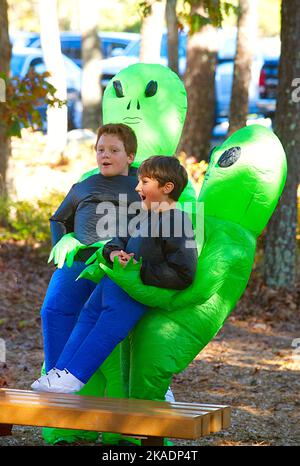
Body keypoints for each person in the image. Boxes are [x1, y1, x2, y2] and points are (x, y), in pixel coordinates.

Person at [32, 156, 198, 393]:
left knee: (108, 326)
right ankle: (60, 371)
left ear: (167, 187)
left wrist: (139, 270)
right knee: (88, 315)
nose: (137, 187)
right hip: (116, 281)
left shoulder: (178, 221)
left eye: (145, 182)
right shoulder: (143, 216)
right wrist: (114, 254)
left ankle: (74, 376)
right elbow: (115, 242)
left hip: (135, 291)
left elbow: (184, 273)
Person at [38, 123, 140, 374]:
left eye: (114, 150)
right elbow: (59, 219)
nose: (105, 155)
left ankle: (141, 378)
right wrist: (62, 240)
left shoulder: (142, 185)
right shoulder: (83, 186)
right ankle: (55, 373)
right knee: (53, 308)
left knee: (110, 317)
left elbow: (159, 219)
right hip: (80, 260)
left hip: (118, 264)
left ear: (130, 156)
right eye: (100, 149)